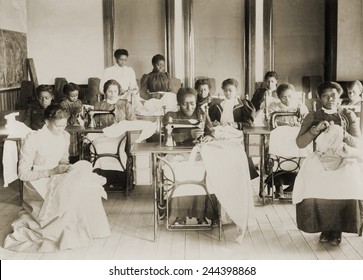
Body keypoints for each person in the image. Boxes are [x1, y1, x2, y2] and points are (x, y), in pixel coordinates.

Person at [3, 104, 110, 252]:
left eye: (64, 125)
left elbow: (63, 160)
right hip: (37, 181)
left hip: (56, 175)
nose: (62, 129)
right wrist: (51, 171)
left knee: (87, 184)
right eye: (58, 126)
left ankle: (92, 229)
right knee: (70, 195)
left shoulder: (65, 136)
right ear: (47, 122)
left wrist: (66, 168)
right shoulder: (33, 138)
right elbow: (23, 174)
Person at [293, 81, 363, 246]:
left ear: (339, 97)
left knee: (347, 180)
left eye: (333, 95)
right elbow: (300, 143)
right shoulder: (313, 116)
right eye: (325, 95)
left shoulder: (348, 115)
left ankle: (337, 228)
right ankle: (325, 227)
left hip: (344, 157)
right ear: (319, 98)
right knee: (312, 180)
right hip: (321, 157)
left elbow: (358, 144)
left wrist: (343, 133)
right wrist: (315, 129)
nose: (330, 99)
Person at [162, 87, 215, 225]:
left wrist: (209, 136)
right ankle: (179, 215)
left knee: (204, 170)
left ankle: (201, 214)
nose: (189, 107)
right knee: (176, 172)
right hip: (177, 153)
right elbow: (168, 137)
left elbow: (210, 131)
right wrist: (188, 135)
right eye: (185, 103)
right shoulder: (171, 116)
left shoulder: (201, 113)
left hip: (196, 153)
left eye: (192, 103)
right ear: (179, 104)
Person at [89, 79, 136, 189]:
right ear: (105, 92)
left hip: (120, 136)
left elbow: (133, 122)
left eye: (115, 91)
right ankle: (101, 180)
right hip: (103, 134)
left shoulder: (125, 104)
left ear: (119, 91)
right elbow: (94, 123)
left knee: (117, 148)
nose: (112, 94)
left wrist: (121, 124)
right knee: (94, 146)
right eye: (110, 91)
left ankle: (119, 180)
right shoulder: (99, 105)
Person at [208, 78, 258, 179]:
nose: (227, 93)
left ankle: (238, 175)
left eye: (230, 90)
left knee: (235, 150)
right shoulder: (218, 105)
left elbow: (248, 123)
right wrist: (215, 123)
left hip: (236, 133)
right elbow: (212, 121)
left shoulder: (243, 105)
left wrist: (233, 124)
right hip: (221, 132)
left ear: (236, 91)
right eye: (225, 90)